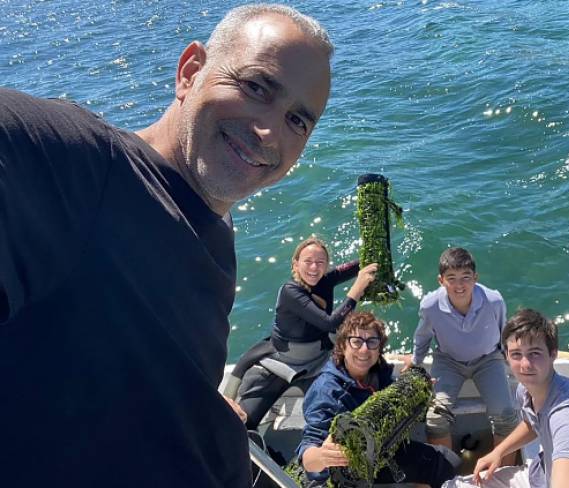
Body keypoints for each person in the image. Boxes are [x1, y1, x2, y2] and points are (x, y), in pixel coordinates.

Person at [0, 4, 332, 487]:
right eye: (256, 86)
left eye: (298, 120)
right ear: (190, 71)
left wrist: (193, 398)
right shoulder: (82, 165)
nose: (268, 133)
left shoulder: (211, 221)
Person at [444, 308, 569, 488]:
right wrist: (499, 452)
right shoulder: (526, 390)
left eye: (535, 353)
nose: (525, 365)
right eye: (516, 354)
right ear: (506, 357)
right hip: (540, 474)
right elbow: (532, 423)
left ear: (553, 354)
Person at [227, 236, 377, 430]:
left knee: (339, 408)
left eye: (320, 262)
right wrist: (356, 289)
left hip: (319, 359)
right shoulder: (290, 291)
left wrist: (374, 256)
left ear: (326, 265)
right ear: (295, 264)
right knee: (245, 422)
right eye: (308, 261)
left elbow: (359, 265)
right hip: (283, 363)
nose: (314, 267)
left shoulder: (327, 279)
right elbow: (329, 323)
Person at [297, 311, 461, 487]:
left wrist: (419, 390)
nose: (364, 349)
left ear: (379, 348)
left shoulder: (378, 371)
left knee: (447, 461)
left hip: (382, 449)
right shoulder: (326, 391)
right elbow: (308, 454)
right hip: (347, 469)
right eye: (356, 341)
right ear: (343, 346)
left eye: (372, 342)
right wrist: (322, 456)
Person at [404, 247, 518, 464]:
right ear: (441, 281)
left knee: (505, 415)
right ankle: (444, 472)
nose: (459, 285)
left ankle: (504, 473)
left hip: (488, 360)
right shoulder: (430, 305)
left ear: (475, 278)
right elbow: (423, 335)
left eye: (466, 277)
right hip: (448, 362)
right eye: (451, 278)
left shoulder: (494, 300)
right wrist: (416, 361)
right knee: (435, 418)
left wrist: (512, 359)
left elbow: (504, 332)